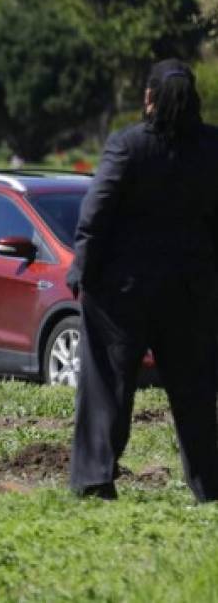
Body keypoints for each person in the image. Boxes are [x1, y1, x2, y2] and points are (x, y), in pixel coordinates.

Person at [67, 58, 218, 502]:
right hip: (190, 292)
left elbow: (95, 214)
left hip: (122, 293)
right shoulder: (213, 148)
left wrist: (83, 269)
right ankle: (208, 487)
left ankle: (96, 479)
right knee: (195, 394)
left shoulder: (128, 147)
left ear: (149, 98)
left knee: (108, 387)